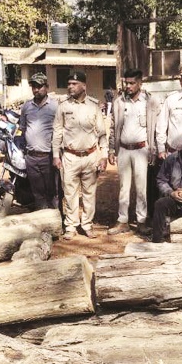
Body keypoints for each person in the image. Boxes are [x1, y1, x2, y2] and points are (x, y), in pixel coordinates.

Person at [52, 70, 107, 240]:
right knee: (70, 193)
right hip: (70, 156)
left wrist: (103, 156)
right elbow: (57, 131)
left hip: (90, 156)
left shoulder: (93, 106)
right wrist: (55, 154)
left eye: (74, 84)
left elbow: (101, 133)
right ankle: (71, 225)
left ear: (84, 86)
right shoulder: (63, 106)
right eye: (69, 84)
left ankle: (87, 225)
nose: (70, 87)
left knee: (89, 194)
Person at [107, 68, 160, 235]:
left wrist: (154, 150)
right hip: (123, 149)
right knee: (123, 187)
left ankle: (142, 221)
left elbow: (157, 128)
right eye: (126, 83)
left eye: (132, 83)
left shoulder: (150, 102)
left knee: (141, 188)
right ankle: (123, 221)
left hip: (142, 150)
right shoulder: (119, 102)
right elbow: (113, 127)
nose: (128, 86)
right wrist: (111, 149)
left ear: (140, 83)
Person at [18, 72, 58, 210]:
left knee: (52, 193)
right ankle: (43, 223)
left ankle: (56, 222)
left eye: (39, 86)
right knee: (37, 193)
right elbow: (22, 129)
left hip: (48, 157)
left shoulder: (55, 107)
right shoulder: (26, 107)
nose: (36, 90)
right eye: (33, 87)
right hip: (31, 158)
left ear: (46, 87)